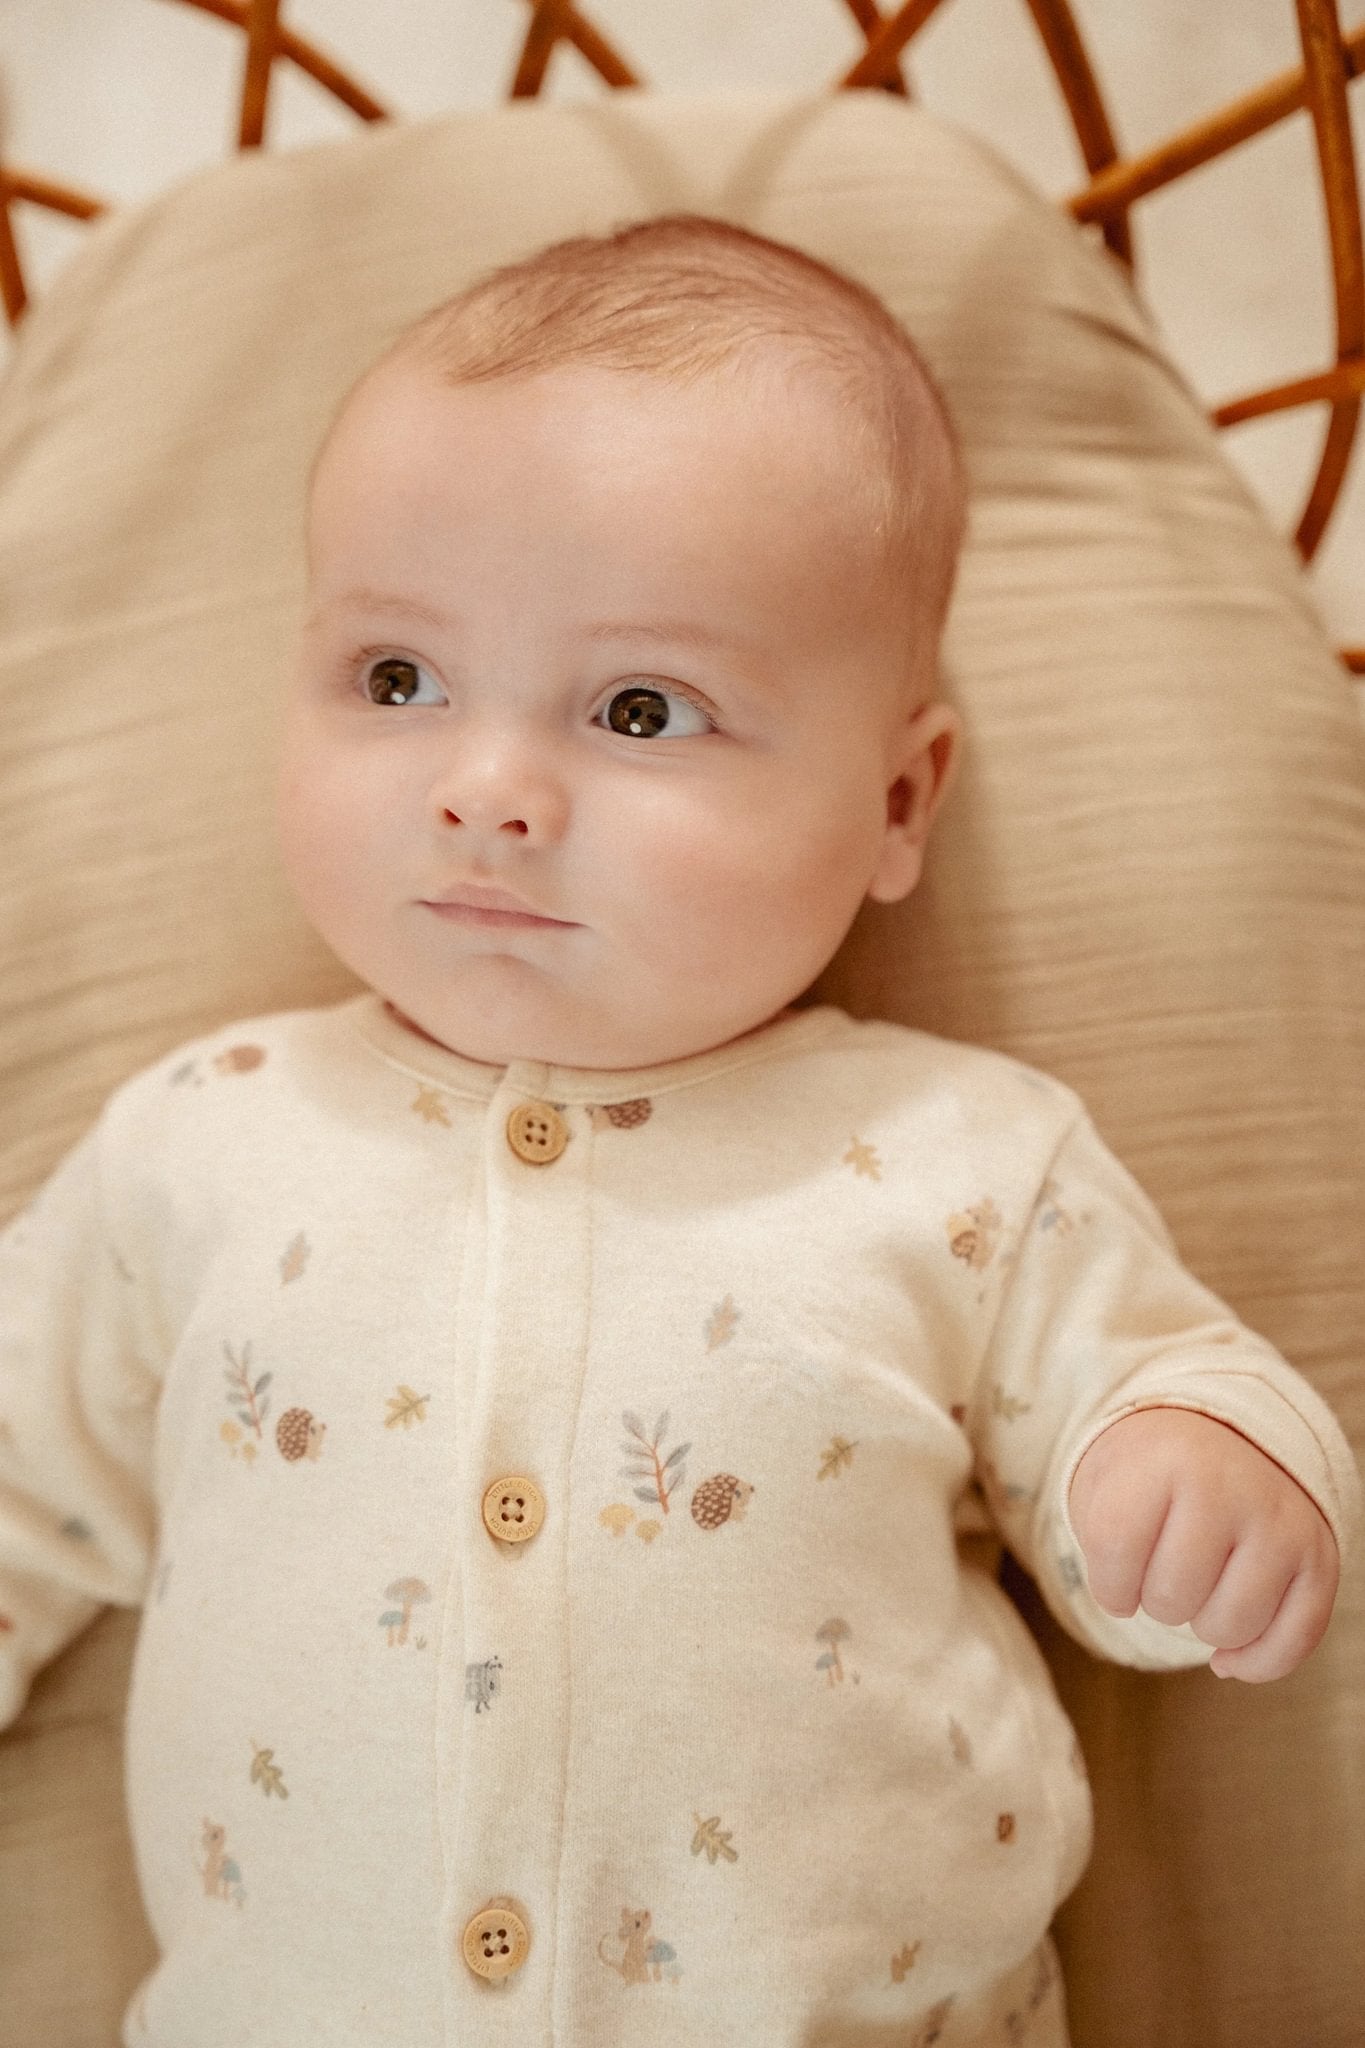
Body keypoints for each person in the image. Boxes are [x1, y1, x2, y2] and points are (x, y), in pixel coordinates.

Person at [0, 213, 1357, 2048]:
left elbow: (1146, 1381)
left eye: (639, 708)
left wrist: (1196, 1470)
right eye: (396, 681)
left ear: (896, 801)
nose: (484, 791)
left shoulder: (954, 1156)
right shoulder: (205, 1139)